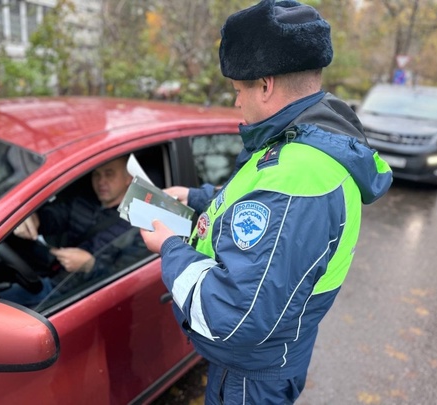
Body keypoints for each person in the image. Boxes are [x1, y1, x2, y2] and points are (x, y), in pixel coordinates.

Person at [140, 1, 393, 403]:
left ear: (265, 85)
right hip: (261, 362)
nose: (237, 102)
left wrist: (169, 247)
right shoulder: (298, 142)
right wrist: (198, 197)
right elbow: (256, 204)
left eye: (239, 90)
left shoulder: (299, 177)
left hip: (252, 380)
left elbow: (232, 315)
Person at [1, 156, 139, 306]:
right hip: (53, 276)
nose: (101, 181)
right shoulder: (84, 200)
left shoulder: (135, 224)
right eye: (96, 174)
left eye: (109, 174)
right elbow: (54, 217)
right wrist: (34, 218)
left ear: (129, 179)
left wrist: (91, 265)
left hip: (80, 296)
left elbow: (129, 275)